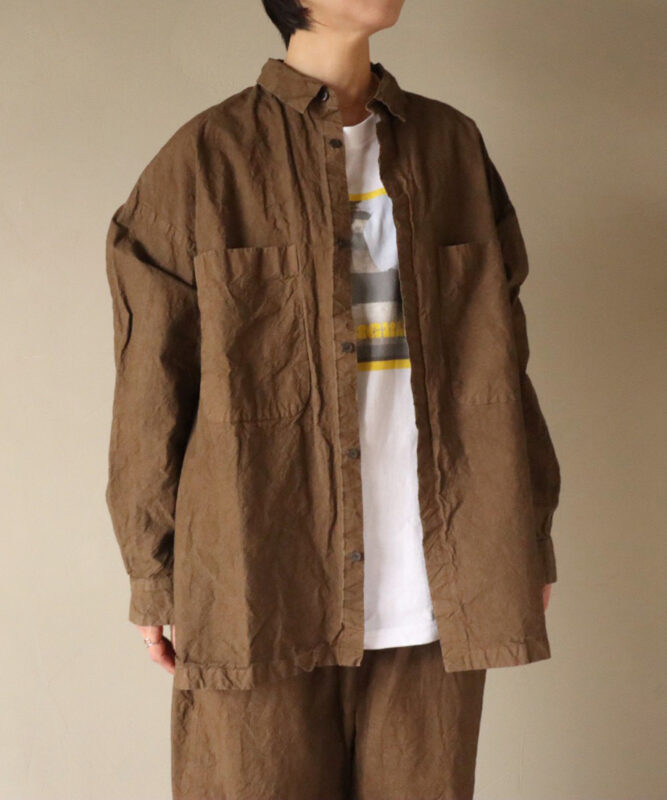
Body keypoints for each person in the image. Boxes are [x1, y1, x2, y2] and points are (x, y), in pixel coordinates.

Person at [104, 1, 561, 797]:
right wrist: (153, 570)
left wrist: (528, 532)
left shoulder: (450, 146)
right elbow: (151, 386)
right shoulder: (206, 158)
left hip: (439, 575)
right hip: (258, 573)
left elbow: (502, 362)